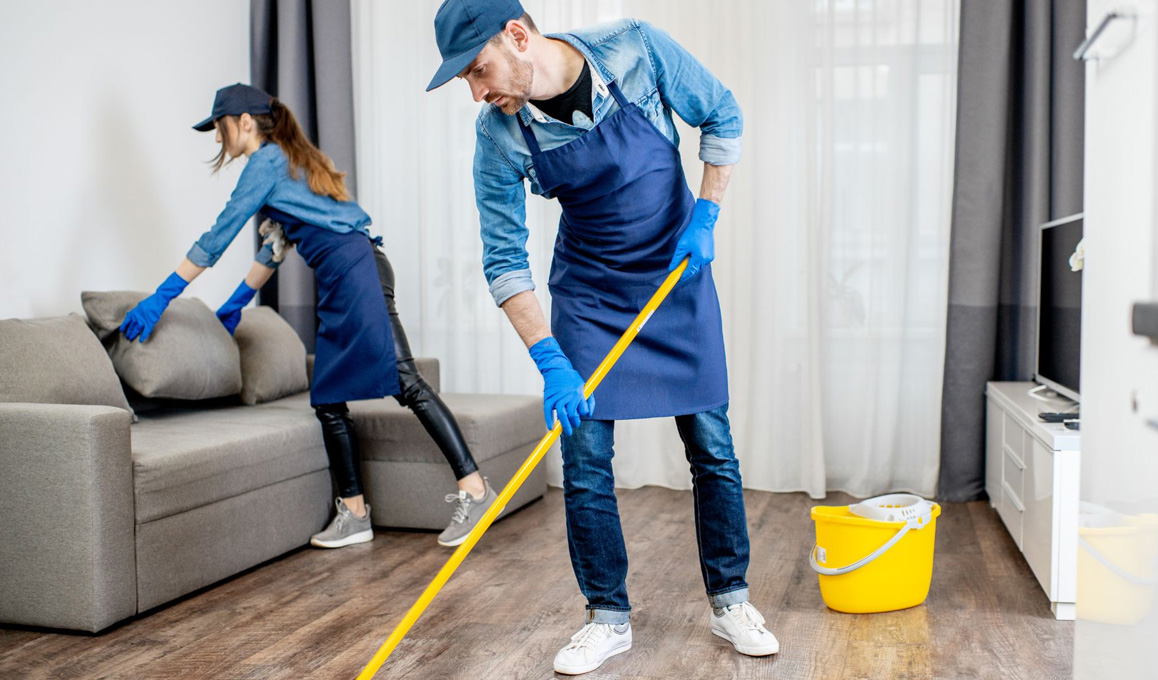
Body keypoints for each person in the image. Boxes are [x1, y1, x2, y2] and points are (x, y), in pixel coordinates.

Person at [426, 1, 779, 674]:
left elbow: (722, 112)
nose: (477, 92)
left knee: (711, 443)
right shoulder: (498, 134)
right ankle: (606, 616)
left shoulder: (634, 50)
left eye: (478, 70)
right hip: (590, 295)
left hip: (676, 276)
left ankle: (730, 600)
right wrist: (549, 359)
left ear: (519, 37)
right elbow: (503, 259)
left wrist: (705, 213)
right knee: (585, 458)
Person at [120, 83, 497, 549]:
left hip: (354, 271)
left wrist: (162, 296)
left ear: (242, 122)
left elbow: (217, 237)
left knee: (405, 381)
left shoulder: (267, 161)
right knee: (327, 397)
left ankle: (475, 490)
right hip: (348, 274)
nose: (218, 140)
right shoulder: (287, 162)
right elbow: (275, 247)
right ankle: (355, 513)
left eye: (219, 128)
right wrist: (236, 302)